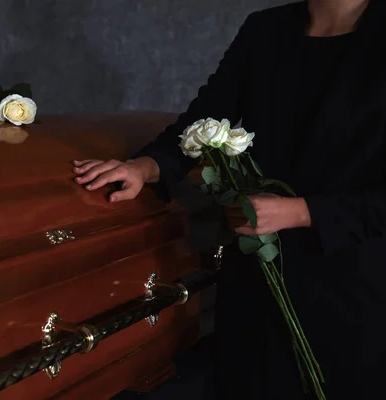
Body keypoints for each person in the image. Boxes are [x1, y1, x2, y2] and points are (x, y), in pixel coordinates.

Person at [72, 1, 386, 399]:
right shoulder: (266, 28)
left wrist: (302, 212)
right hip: (255, 275)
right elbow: (205, 116)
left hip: (354, 282)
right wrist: (147, 166)